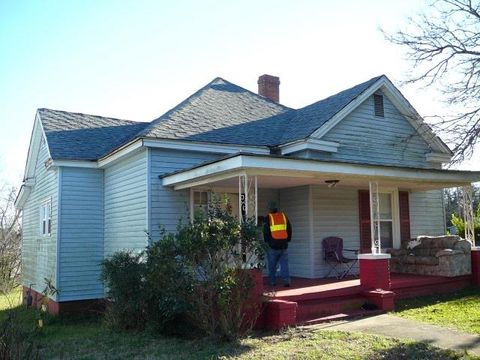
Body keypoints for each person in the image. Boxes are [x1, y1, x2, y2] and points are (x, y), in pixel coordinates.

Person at [263, 201, 292, 287]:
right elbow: (289, 229)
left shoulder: (268, 218)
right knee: (284, 264)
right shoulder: (283, 216)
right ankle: (286, 281)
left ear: (269, 209)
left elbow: (265, 231)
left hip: (272, 246)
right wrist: (288, 240)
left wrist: (266, 241)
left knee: (272, 265)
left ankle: (272, 281)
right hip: (284, 245)